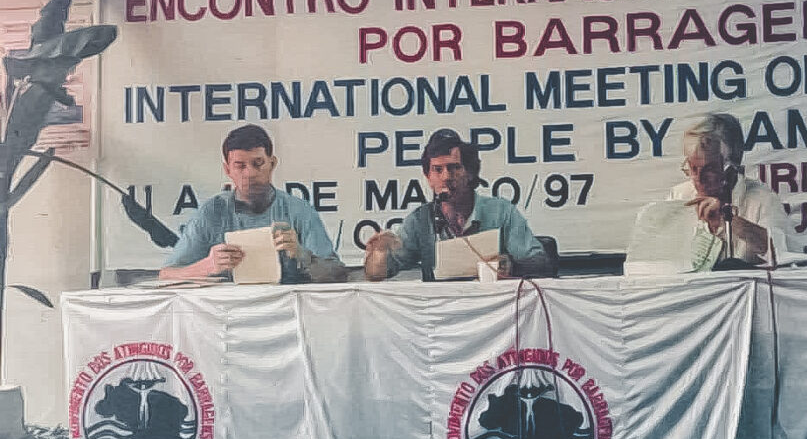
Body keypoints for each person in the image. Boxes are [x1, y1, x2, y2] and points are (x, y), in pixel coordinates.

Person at [159, 124, 346, 283]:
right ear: (227, 169)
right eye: (240, 166)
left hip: (286, 313)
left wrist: (300, 253)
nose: (250, 173)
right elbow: (166, 275)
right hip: (227, 314)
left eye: (258, 163)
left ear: (272, 164)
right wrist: (207, 266)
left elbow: (338, 275)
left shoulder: (299, 210)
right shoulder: (212, 212)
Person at [363, 129, 552, 281]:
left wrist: (510, 265)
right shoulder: (419, 220)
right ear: (428, 178)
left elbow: (540, 262)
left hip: (493, 314)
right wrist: (379, 251)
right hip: (439, 316)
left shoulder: (501, 212)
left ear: (470, 173)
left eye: (454, 168)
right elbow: (377, 274)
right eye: (437, 170)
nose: (446, 177)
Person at [667, 113, 795, 265]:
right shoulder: (679, 195)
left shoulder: (762, 200)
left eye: (709, 170)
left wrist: (728, 220)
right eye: (692, 168)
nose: (698, 179)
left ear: (731, 168)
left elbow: (783, 255)